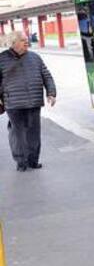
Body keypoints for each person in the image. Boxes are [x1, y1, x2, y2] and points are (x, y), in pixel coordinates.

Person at [0, 31, 56, 172]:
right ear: (14, 43)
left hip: (34, 102)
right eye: (23, 40)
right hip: (13, 103)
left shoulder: (35, 57)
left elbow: (46, 75)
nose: (27, 42)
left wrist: (51, 93)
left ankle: (32, 161)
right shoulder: (2, 59)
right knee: (18, 133)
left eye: (27, 40)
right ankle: (21, 161)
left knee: (33, 133)